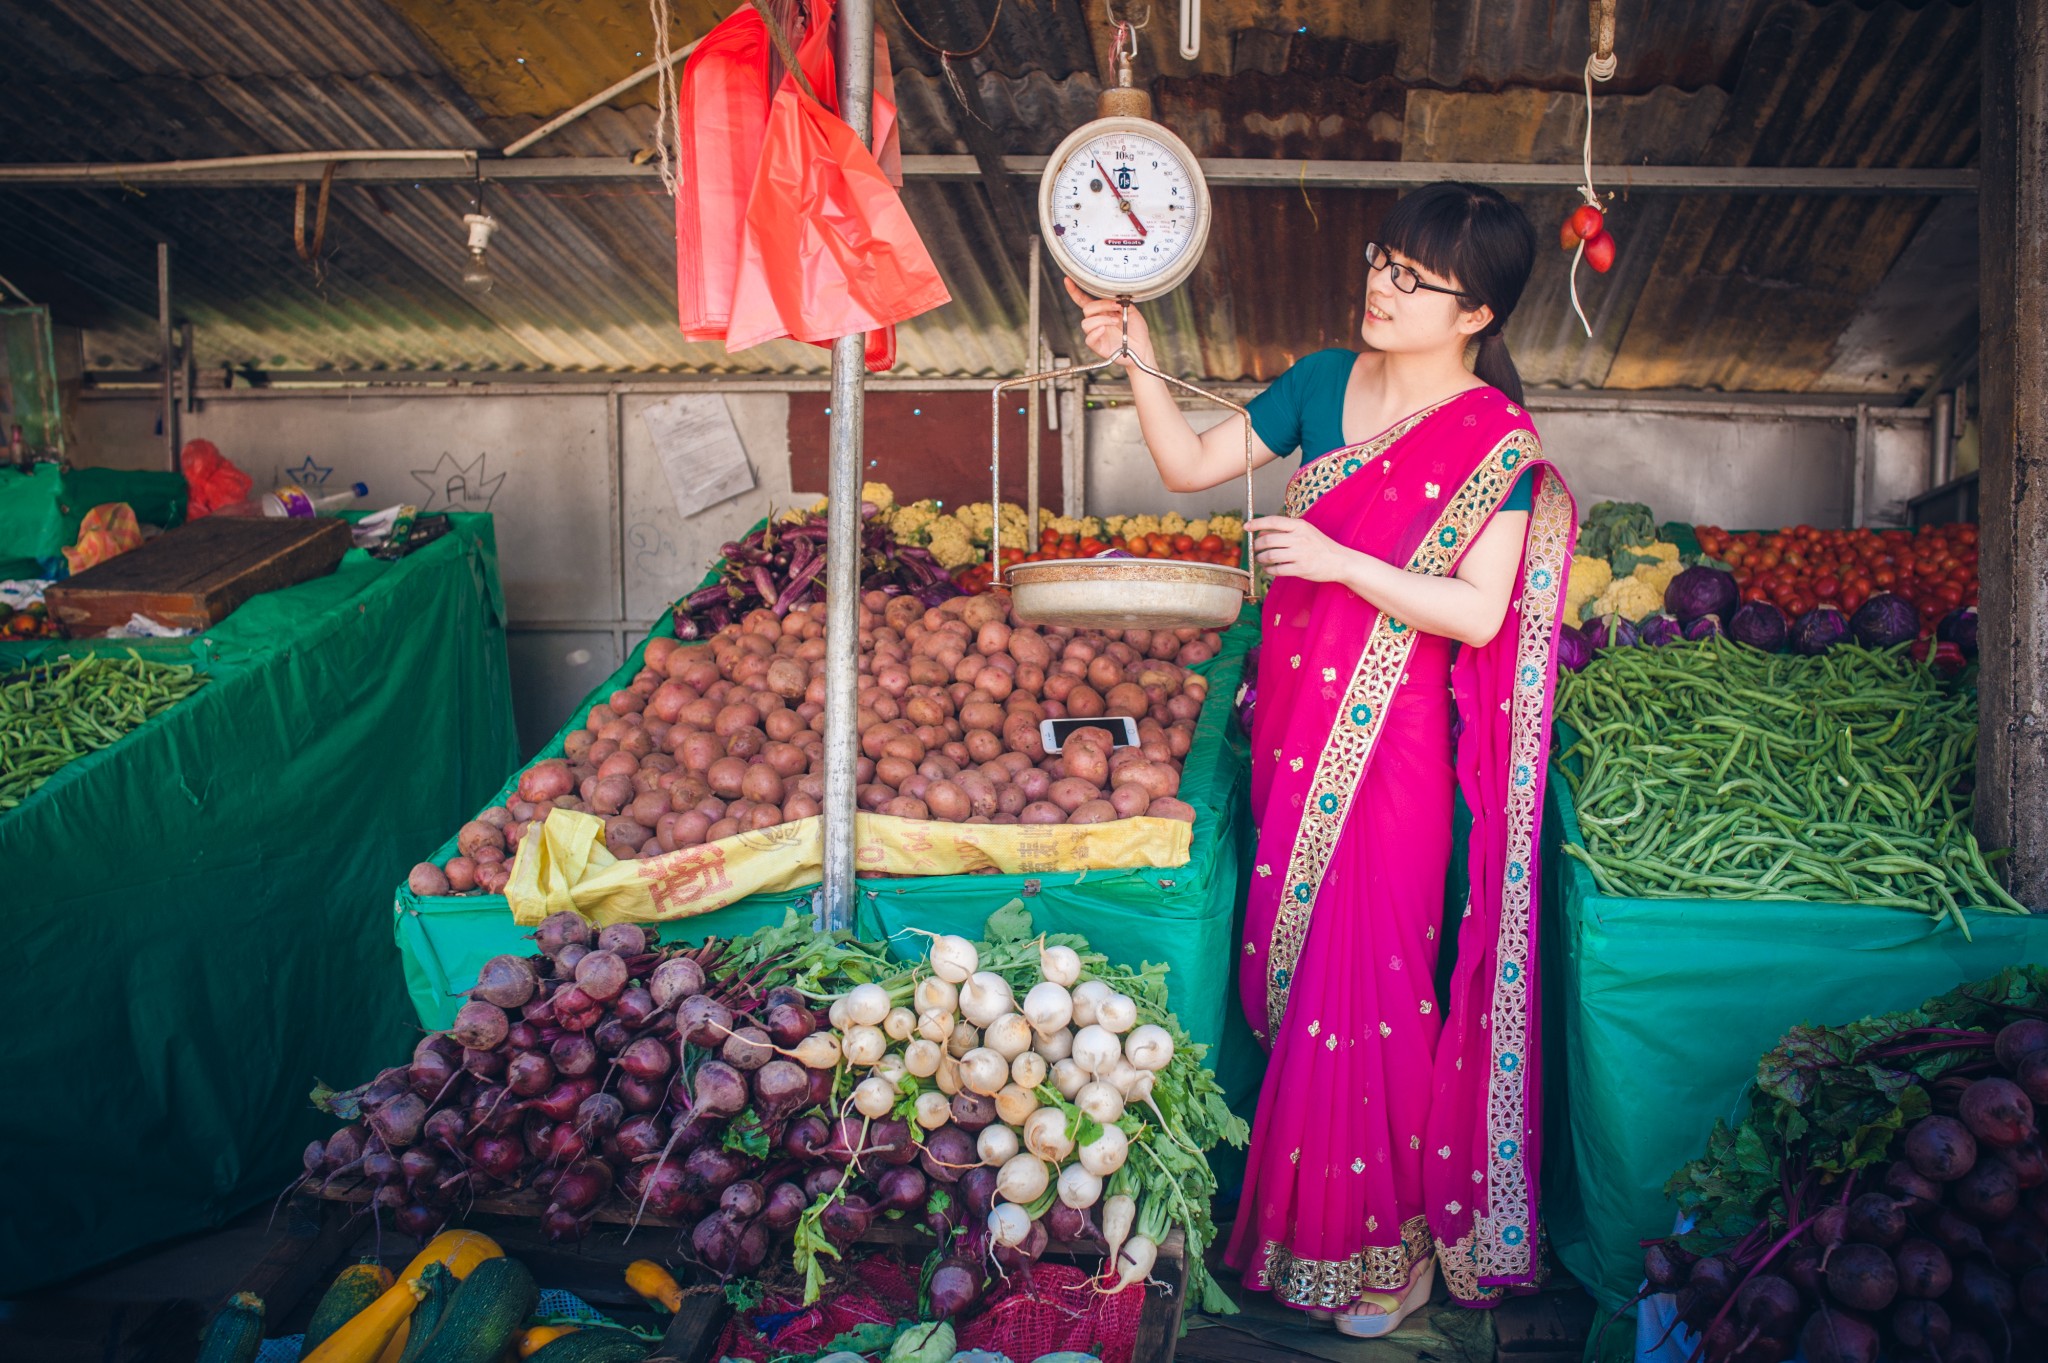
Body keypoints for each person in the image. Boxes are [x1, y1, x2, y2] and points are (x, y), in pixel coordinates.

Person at [1065, 182, 1577, 1335]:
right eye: (1380, 260)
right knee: (1304, 1000)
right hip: (1293, 729)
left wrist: (1342, 564)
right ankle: (1316, 1238)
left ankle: (1384, 1254)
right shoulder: (1316, 382)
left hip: (1394, 754)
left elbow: (1481, 614)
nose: (1380, 287)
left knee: (1374, 990)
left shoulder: (1494, 442)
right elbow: (1192, 465)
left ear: (1475, 314)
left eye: (1411, 279)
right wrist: (1138, 351)